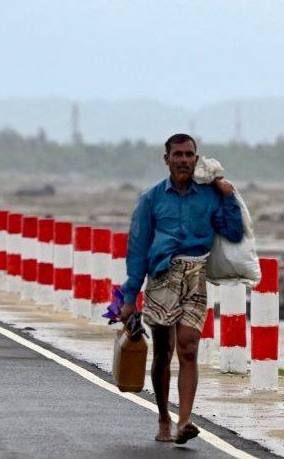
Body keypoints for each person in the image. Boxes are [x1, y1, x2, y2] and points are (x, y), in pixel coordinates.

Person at [120, 133, 243, 444]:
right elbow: (137, 247)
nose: (184, 160)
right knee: (163, 352)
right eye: (178, 155)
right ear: (167, 159)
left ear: (196, 159)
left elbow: (234, 232)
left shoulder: (210, 196)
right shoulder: (151, 199)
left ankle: (184, 421)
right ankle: (163, 416)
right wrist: (129, 296)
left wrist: (227, 196)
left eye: (190, 155)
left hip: (196, 274)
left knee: (188, 348)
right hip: (162, 275)